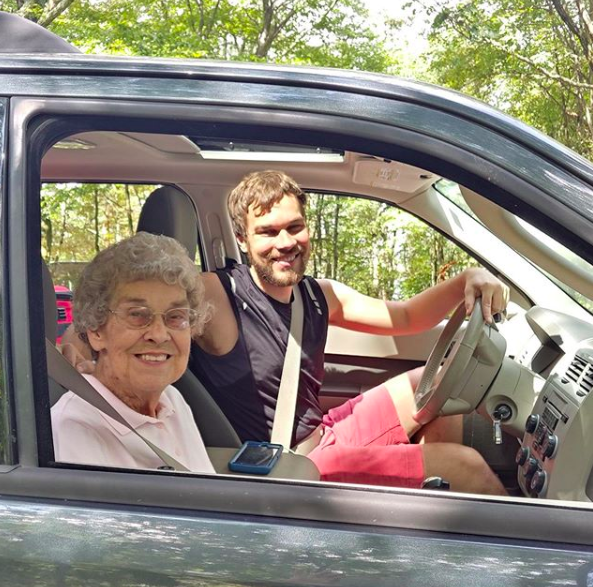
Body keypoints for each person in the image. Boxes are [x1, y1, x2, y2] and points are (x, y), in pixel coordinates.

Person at [189, 170, 509, 494]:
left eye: (294, 227)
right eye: (267, 232)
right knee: (467, 465)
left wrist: (468, 278)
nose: (285, 243)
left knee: (438, 385)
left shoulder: (316, 296)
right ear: (243, 239)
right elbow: (148, 307)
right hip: (286, 467)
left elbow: (407, 316)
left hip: (323, 435)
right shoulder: (216, 293)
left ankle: (430, 507)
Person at [52, 232, 215, 474]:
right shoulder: (72, 429)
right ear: (96, 330)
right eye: (137, 314)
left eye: (176, 316)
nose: (159, 334)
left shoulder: (172, 401)